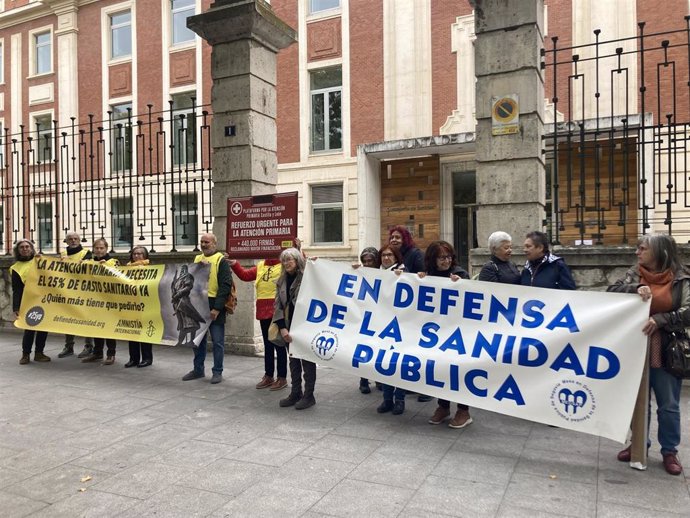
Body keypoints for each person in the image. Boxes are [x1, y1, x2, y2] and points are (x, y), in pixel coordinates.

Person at [608, 233, 689, 476]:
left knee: (669, 404)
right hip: (635, 347)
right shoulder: (635, 273)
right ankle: (639, 443)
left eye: (642, 248)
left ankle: (669, 451)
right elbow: (612, 291)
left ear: (659, 252)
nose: (637, 253)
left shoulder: (681, 278)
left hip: (665, 348)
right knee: (638, 400)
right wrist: (635, 288)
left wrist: (662, 319)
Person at [422, 241, 474, 428]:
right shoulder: (428, 276)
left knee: (458, 371)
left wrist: (461, 286)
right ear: (432, 259)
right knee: (441, 369)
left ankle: (463, 410)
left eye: (449, 257)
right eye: (442, 257)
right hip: (437, 332)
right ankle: (443, 406)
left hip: (457, 333)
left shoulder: (460, 275)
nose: (446, 261)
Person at [228, 255, 287, 391]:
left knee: (279, 344)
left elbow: (298, 266)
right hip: (263, 310)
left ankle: (282, 377)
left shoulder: (284, 264)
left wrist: (298, 250)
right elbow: (245, 275)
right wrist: (234, 263)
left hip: (277, 309)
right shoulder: (261, 265)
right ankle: (269, 375)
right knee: (268, 345)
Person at [387, 226, 432, 402]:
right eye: (392, 237)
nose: (394, 240)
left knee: (417, 349)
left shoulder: (415, 254)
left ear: (405, 238)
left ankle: (425, 389)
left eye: (398, 237)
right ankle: (406, 384)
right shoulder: (391, 255)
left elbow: (423, 278)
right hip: (398, 312)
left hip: (414, 311)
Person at [182, 233, 232, 385]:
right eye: (202, 242)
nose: (204, 245)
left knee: (217, 341)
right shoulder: (197, 259)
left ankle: (217, 372)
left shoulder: (220, 260)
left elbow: (225, 285)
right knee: (197, 340)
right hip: (198, 303)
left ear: (214, 244)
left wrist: (217, 308)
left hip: (214, 304)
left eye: (207, 242)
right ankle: (198, 369)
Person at [274, 247, 316, 410]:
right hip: (288, 326)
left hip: (306, 327)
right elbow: (277, 305)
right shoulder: (281, 280)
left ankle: (309, 395)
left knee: (307, 362)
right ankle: (295, 392)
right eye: (284, 260)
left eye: (289, 259)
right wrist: (282, 329)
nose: (286, 263)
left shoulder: (308, 277)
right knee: (294, 362)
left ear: (297, 260)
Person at [376, 245, 409, 415]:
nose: (386, 258)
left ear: (396, 257)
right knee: (385, 363)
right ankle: (387, 399)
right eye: (383, 255)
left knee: (398, 364)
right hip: (382, 325)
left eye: (390, 255)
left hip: (400, 326)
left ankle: (400, 399)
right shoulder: (375, 272)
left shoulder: (405, 273)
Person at [12, 239, 50, 365]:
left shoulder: (39, 261)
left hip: (43, 299)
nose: (25, 249)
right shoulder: (16, 268)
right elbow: (16, 289)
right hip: (27, 301)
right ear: (18, 251)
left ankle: (39, 353)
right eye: (22, 247)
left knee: (43, 328)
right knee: (29, 328)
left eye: (27, 246)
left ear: (31, 248)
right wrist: (16, 307)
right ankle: (25, 354)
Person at [81, 238, 119, 365]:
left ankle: (111, 354)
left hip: (109, 301)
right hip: (94, 301)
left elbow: (119, 278)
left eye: (101, 248)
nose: (99, 250)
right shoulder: (89, 262)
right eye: (96, 248)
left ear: (106, 249)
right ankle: (97, 353)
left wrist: (106, 267)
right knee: (96, 327)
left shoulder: (113, 261)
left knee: (109, 328)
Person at [57, 231, 93, 358]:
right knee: (68, 319)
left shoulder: (86, 253)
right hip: (68, 291)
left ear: (79, 240)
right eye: (70, 239)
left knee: (86, 319)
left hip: (84, 291)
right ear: (66, 241)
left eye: (76, 238)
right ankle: (69, 346)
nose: (73, 241)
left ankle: (89, 346)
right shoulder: (62, 254)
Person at [354, 247, 380, 394]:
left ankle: (378, 379)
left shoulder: (384, 274)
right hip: (364, 317)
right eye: (365, 261)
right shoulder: (359, 273)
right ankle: (363, 380)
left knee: (377, 349)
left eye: (370, 260)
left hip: (379, 318)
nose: (368, 264)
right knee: (364, 349)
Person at [125, 246, 154, 368]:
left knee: (145, 332)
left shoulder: (150, 268)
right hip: (131, 304)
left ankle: (147, 358)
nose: (137, 256)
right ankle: (133, 358)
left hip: (145, 304)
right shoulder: (126, 269)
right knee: (132, 332)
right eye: (135, 254)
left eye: (140, 254)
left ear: (145, 256)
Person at [172, 264, 206, 346]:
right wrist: (174, 296)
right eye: (181, 269)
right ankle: (180, 342)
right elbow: (174, 290)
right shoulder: (176, 280)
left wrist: (178, 294)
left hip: (184, 302)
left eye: (184, 269)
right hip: (178, 304)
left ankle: (190, 341)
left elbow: (188, 286)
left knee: (192, 323)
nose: (182, 271)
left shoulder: (187, 276)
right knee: (183, 324)